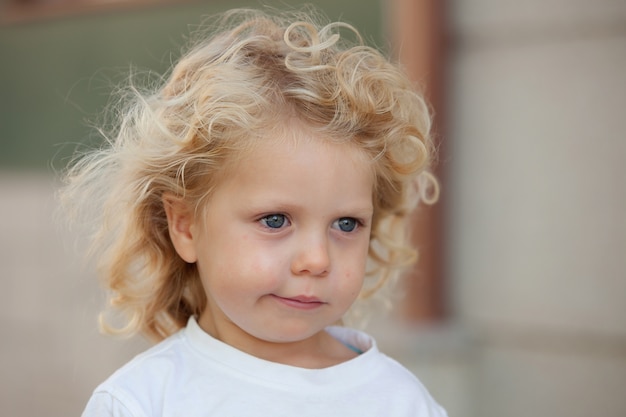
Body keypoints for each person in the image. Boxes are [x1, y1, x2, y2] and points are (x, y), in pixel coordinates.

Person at [62, 7, 446, 417]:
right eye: (275, 220)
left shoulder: (401, 401)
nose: (316, 260)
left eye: (346, 224)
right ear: (185, 225)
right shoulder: (140, 402)